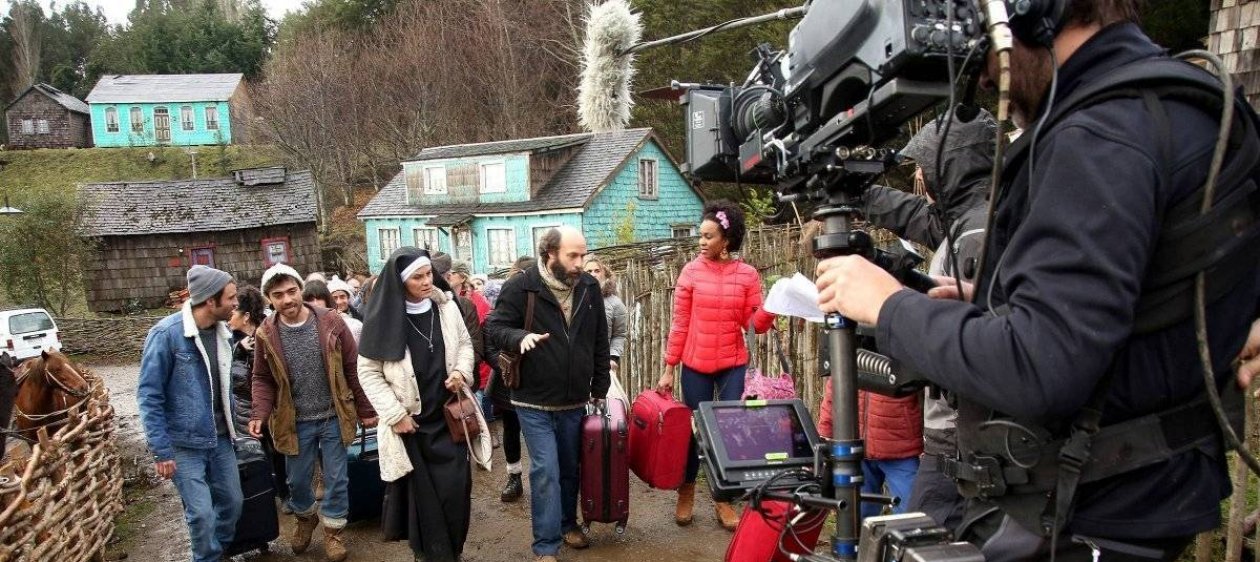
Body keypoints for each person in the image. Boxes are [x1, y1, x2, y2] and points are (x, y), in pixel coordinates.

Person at [814, 3, 1260, 559]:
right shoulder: (1188, 105)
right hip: (1141, 504)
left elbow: (1041, 365)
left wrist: (890, 306)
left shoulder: (1100, 132)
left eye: (986, 39)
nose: (983, 72)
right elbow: (1134, 298)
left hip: (1079, 515)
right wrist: (996, 303)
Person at [814, 107, 999, 529]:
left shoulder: (974, 236)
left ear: (948, 169)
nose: (921, 181)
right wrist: (853, 195)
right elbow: (920, 221)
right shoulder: (974, 219)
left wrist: (888, 303)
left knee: (920, 538)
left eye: (926, 169)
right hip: (962, 435)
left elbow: (956, 331)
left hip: (960, 437)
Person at [486, 227, 611, 561]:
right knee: (546, 469)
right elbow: (494, 327)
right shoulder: (521, 285)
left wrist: (600, 386)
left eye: (583, 255)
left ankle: (568, 524)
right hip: (532, 400)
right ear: (549, 254)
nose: (580, 263)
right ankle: (545, 546)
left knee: (571, 467)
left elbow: (599, 338)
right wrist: (518, 337)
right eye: (573, 255)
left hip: (574, 400)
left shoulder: (588, 287)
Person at [657, 201, 775, 531]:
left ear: (727, 239)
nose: (702, 242)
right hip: (695, 365)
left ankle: (722, 498)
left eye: (709, 236)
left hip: (732, 364)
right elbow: (680, 322)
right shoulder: (691, 272)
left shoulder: (747, 274)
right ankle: (687, 489)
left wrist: (772, 309)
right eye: (701, 236)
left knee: (729, 431)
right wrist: (670, 367)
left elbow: (754, 323)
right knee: (693, 434)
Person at [249, 264, 378, 562]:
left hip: (334, 415)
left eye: (292, 291)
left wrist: (365, 408)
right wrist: (259, 412)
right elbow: (261, 378)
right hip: (294, 422)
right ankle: (306, 518)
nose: (287, 300)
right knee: (296, 481)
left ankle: (333, 532)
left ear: (301, 290)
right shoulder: (266, 333)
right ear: (269, 298)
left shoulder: (331, 321)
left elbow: (352, 367)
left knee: (337, 477)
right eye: (278, 295)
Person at [357, 247, 476, 562]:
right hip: (411, 426)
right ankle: (429, 555)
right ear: (400, 282)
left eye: (429, 275)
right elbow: (368, 372)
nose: (427, 282)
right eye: (418, 277)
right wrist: (395, 415)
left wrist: (461, 372)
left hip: (448, 418)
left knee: (454, 491)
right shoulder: (382, 319)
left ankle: (453, 551)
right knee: (422, 499)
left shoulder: (447, 308)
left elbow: (465, 345)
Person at [137, 265, 241, 562]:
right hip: (183, 445)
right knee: (201, 514)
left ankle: (216, 552)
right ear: (211, 300)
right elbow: (149, 395)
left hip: (221, 439)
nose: (236, 303)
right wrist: (161, 451)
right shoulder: (166, 335)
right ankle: (206, 558)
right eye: (231, 297)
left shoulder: (224, 334)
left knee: (233, 504)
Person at [228, 285, 288, 499]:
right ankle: (264, 494)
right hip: (245, 407)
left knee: (279, 450)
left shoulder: (270, 331)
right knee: (255, 451)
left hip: (273, 404)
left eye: (233, 312)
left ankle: (285, 493)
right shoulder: (229, 340)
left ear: (245, 316)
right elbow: (230, 379)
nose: (229, 317)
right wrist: (237, 351)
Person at [488, 255, 537, 503]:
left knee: (536, 430)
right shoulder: (504, 305)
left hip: (535, 379)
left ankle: (542, 477)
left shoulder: (540, 303)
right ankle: (514, 476)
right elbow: (490, 342)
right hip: (507, 380)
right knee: (510, 427)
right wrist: (504, 364)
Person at [582, 253, 628, 371]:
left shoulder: (616, 304)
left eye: (597, 270)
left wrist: (613, 358)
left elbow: (619, 335)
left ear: (604, 274)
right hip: (577, 364)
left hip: (602, 365)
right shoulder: (572, 300)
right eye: (589, 271)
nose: (593, 274)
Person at [327, 278, 365, 342]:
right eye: (334, 298)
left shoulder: (359, 316)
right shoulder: (324, 320)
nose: (339, 302)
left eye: (342, 297)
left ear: (348, 298)